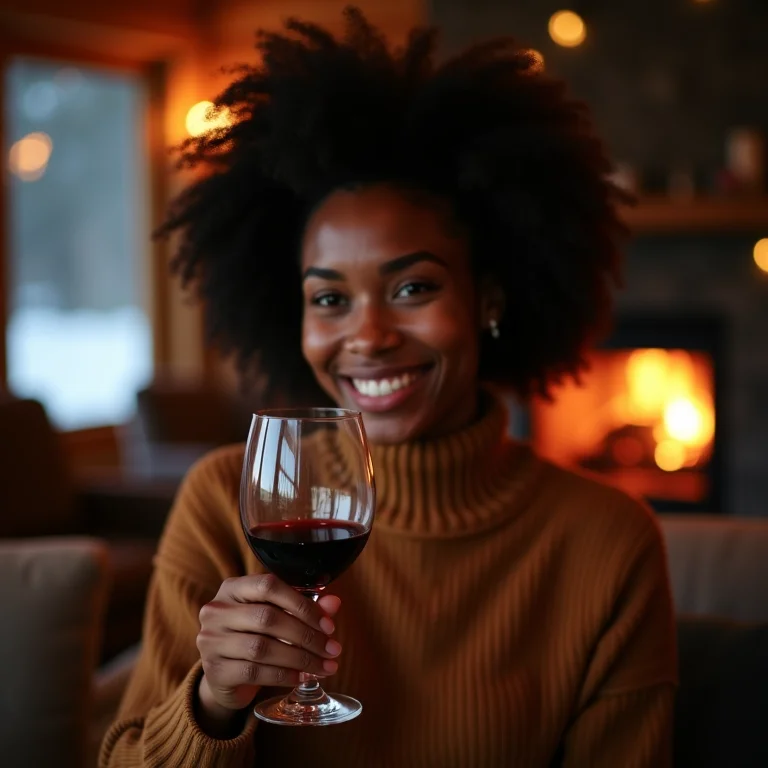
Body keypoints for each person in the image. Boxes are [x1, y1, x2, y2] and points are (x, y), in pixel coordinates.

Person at [100, 7, 677, 767]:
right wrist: (213, 702)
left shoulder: (608, 543)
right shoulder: (224, 503)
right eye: (330, 298)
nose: (367, 336)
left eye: (412, 288)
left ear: (490, 299)